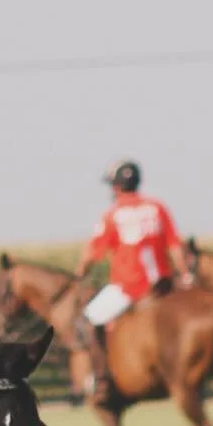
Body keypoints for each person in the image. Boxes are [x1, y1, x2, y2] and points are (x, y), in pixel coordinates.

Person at [73, 161, 187, 399]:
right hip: (162, 286)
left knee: (87, 321)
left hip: (129, 288)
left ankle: (102, 377)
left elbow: (91, 254)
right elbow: (176, 247)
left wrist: (79, 273)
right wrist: (184, 275)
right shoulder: (157, 207)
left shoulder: (113, 215)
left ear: (116, 187)